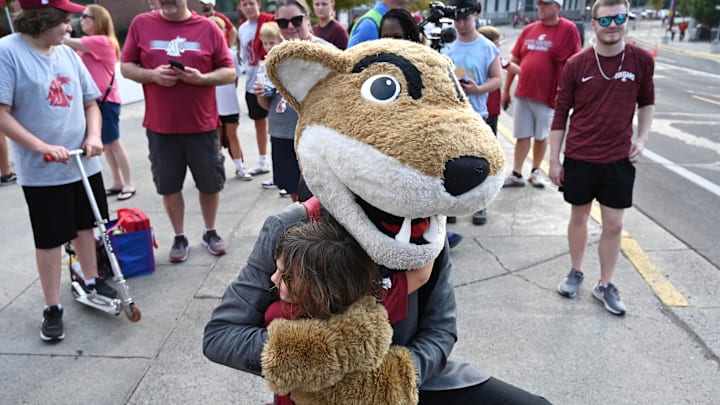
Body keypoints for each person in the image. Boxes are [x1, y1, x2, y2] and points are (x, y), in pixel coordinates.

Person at [0, 0, 118, 342]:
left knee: (87, 226)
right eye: (64, 21)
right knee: (50, 240)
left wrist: (94, 136)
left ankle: (92, 280)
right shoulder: (9, 52)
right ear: (40, 20)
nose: (70, 28)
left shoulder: (66, 52)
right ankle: (53, 307)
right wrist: (42, 147)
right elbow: (3, 113)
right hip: (44, 169)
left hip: (83, 160)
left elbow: (90, 102)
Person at [551, 0, 654, 316]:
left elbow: (646, 101)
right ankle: (576, 271)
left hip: (617, 159)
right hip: (580, 156)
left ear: (627, 20)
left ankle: (605, 284)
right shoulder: (577, 64)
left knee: (614, 223)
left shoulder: (640, 60)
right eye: (606, 19)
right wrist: (554, 160)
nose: (613, 25)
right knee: (579, 216)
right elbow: (560, 114)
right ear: (593, 22)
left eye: (620, 18)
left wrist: (642, 137)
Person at [265, 217, 430, 404]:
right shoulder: (369, 307)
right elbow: (421, 275)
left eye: (286, 276)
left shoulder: (278, 313)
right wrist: (435, 218)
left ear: (321, 288)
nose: (273, 278)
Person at [120, 0, 235, 263]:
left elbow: (229, 72)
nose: (167, 1)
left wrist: (202, 79)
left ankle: (210, 231)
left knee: (209, 183)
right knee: (169, 186)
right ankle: (179, 235)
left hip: (202, 125)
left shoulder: (207, 27)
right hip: (161, 127)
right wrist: (152, 75)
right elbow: (126, 66)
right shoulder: (141, 24)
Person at [253, 0, 333, 202]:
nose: (290, 27)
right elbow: (267, 107)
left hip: (316, 137)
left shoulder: (326, 53)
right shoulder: (274, 57)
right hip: (282, 134)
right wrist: (261, 94)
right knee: (295, 196)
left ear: (307, 18)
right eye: (283, 22)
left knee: (322, 196)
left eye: (296, 20)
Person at [501, 0, 581, 189]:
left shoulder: (568, 29)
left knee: (541, 135)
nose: (541, 8)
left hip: (548, 96)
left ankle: (536, 170)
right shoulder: (529, 29)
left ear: (557, 7)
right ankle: (517, 173)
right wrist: (506, 90)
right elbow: (515, 59)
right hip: (524, 92)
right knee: (522, 134)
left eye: (546, 4)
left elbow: (574, 63)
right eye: (539, 4)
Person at [63, 4, 136, 201]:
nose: (82, 19)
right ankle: (118, 181)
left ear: (97, 20)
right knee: (107, 144)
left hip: (106, 101)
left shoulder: (102, 41)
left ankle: (128, 182)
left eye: (86, 16)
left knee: (113, 143)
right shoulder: (89, 45)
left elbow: (65, 42)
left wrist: (63, 29)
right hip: (97, 102)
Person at [442, 0, 501, 227]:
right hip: (449, 114)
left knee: (479, 162)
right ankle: (452, 205)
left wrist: (478, 89)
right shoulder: (446, 43)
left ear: (475, 16)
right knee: (450, 161)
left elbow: (497, 78)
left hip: (477, 113)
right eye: (457, 19)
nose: (461, 24)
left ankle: (480, 205)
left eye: (465, 19)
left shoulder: (487, 47)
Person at [208, 15, 252, 180]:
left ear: (224, 32)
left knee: (232, 134)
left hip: (229, 104)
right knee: (216, 138)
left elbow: (234, 79)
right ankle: (216, 170)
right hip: (212, 106)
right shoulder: (205, 55)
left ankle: (240, 166)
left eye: (218, 29)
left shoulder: (231, 54)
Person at [237, 0, 274, 176]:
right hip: (253, 82)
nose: (248, 7)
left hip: (272, 82)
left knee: (276, 125)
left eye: (251, 3)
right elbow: (245, 56)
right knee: (259, 123)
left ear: (258, 3)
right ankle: (263, 160)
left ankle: (279, 166)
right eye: (244, 4)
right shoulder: (242, 28)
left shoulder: (270, 23)